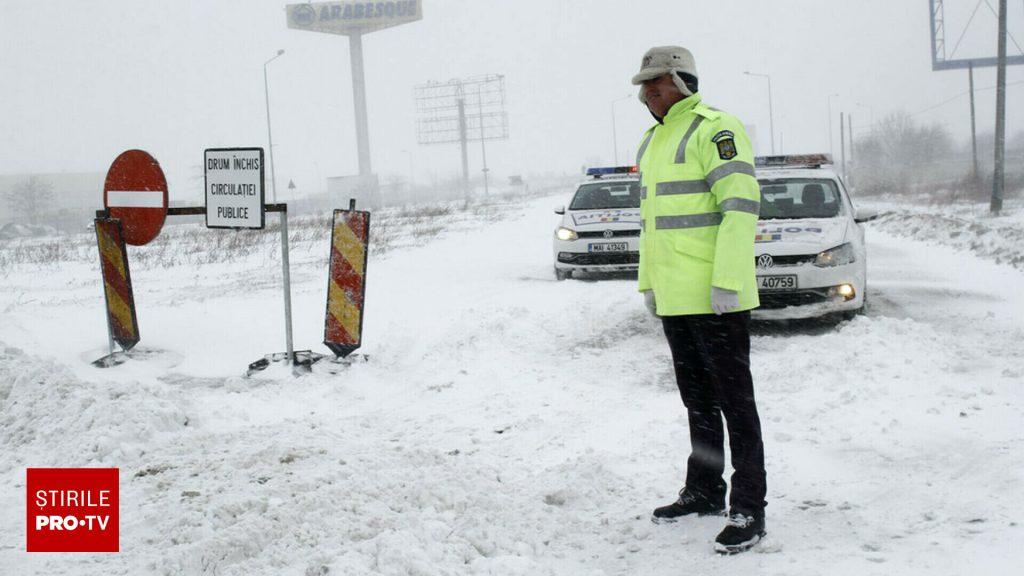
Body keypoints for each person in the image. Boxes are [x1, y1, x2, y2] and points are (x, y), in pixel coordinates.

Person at [631, 45, 767, 555]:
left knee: (736, 403)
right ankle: (705, 489)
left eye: (657, 82)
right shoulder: (652, 140)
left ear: (683, 82)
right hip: (675, 299)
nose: (648, 91)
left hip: (717, 299)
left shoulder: (717, 128)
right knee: (698, 402)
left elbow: (739, 207)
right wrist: (649, 284)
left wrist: (729, 281)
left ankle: (749, 507)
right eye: (644, 85)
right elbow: (653, 225)